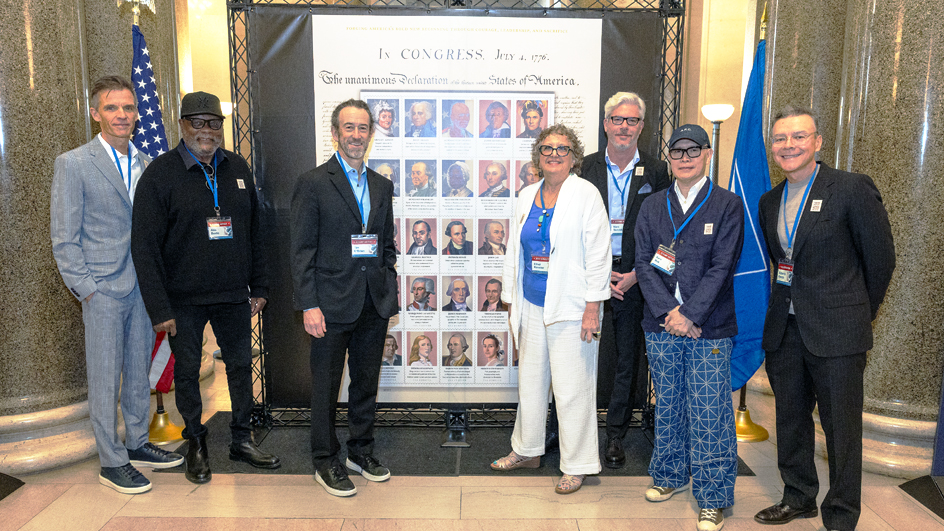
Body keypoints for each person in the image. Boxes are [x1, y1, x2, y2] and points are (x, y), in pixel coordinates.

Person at [753, 106, 895, 531]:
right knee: (791, 421)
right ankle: (798, 497)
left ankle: (841, 515)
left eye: (798, 137)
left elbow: (881, 261)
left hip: (838, 333)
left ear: (817, 142)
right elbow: (782, 263)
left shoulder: (850, 189)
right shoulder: (769, 201)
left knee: (842, 431)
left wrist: (855, 314)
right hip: (785, 330)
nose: (788, 145)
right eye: (780, 139)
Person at [131, 90, 279, 484]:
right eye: (198, 122)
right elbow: (143, 247)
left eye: (214, 123)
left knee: (241, 366)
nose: (207, 131)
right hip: (183, 299)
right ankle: (196, 442)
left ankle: (242, 439)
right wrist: (159, 308)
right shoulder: (160, 174)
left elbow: (255, 231)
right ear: (182, 125)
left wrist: (259, 285)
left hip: (233, 294)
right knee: (187, 375)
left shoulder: (237, 168)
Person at [51, 75, 183, 495]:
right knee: (106, 377)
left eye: (128, 108)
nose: (122, 115)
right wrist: (87, 288)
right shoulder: (74, 163)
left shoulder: (147, 162)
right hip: (103, 289)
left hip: (144, 289)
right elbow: (63, 237)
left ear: (137, 112)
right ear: (95, 113)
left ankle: (139, 442)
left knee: (139, 372)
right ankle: (112, 461)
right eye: (112, 108)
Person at [633, 124, 744, 531]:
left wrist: (690, 315)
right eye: (676, 151)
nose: (683, 157)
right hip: (661, 324)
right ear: (669, 157)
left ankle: (714, 497)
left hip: (709, 327)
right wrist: (669, 314)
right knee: (670, 405)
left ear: (708, 154)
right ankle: (670, 477)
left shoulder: (727, 205)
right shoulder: (652, 205)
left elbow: (722, 267)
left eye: (692, 150)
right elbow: (643, 263)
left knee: (710, 411)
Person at [490, 124, 611, 495]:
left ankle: (577, 465)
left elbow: (599, 252)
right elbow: (516, 251)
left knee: (572, 388)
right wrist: (511, 299)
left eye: (562, 149)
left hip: (573, 308)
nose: (554, 154)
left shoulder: (586, 194)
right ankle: (527, 450)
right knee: (530, 382)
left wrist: (593, 307)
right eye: (547, 148)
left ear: (574, 156)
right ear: (537, 156)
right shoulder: (527, 195)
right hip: (531, 303)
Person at [289, 99, 397, 497]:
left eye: (363, 128)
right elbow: (301, 251)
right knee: (326, 385)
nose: (356, 135)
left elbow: (385, 243)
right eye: (348, 128)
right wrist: (308, 304)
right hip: (329, 304)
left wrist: (389, 279)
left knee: (366, 382)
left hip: (373, 301)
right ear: (335, 133)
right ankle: (324, 459)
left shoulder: (382, 185)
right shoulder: (314, 182)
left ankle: (360, 450)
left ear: (371, 134)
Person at [580, 92, 671, 468]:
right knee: (579, 355)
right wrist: (595, 273)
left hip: (636, 278)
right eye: (617, 119)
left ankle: (615, 435)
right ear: (605, 124)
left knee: (626, 360)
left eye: (632, 121)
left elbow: (670, 233)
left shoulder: (658, 171)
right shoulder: (583, 168)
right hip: (589, 276)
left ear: (641, 127)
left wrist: (638, 274)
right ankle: (567, 429)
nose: (624, 127)